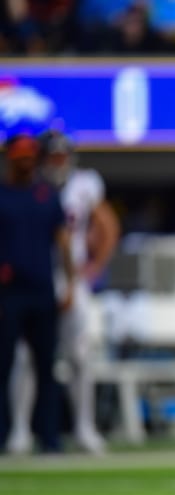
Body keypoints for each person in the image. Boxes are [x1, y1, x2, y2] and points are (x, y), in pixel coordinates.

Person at [6, 130, 119, 455]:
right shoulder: (32, 188)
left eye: (62, 156)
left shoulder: (83, 185)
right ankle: (21, 430)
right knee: (25, 358)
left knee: (80, 354)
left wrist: (93, 268)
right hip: (37, 277)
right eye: (52, 156)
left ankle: (84, 427)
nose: (58, 162)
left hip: (72, 277)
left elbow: (107, 224)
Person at [0, 132, 74, 454]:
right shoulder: (2, 194)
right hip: (7, 292)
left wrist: (70, 283)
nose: (27, 162)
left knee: (47, 367)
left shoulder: (46, 194)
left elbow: (63, 242)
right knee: (2, 366)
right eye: (21, 156)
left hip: (42, 289)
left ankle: (50, 438)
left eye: (30, 156)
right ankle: (4, 435)